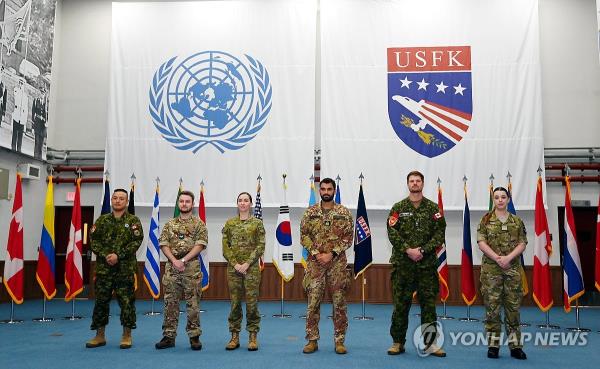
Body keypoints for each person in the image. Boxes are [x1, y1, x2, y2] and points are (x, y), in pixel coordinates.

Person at [386, 170, 446, 357]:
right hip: (403, 265)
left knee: (428, 306)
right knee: (401, 305)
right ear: (408, 184)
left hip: (426, 265)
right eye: (411, 181)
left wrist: (422, 250)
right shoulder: (398, 207)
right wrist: (407, 250)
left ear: (422, 183)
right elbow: (392, 231)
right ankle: (397, 342)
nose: (414, 184)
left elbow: (439, 234)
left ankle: (431, 344)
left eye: (417, 181)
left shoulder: (432, 208)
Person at [300, 177, 353, 354]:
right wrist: (316, 253)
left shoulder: (344, 212)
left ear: (334, 191)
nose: (326, 192)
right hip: (315, 264)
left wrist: (332, 254)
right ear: (319, 191)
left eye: (329, 189)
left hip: (337, 264)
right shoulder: (310, 212)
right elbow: (304, 236)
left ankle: (339, 340)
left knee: (339, 303)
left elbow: (348, 238)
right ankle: (312, 340)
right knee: (313, 302)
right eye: (323, 189)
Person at [87, 189, 144, 349]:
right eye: (115, 198)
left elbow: (137, 241)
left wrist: (118, 255)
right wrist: (107, 255)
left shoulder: (133, 221)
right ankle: (99, 335)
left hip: (124, 269)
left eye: (121, 199)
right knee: (101, 302)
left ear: (126, 202)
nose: (118, 201)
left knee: (126, 303)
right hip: (104, 269)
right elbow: (93, 240)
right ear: (111, 200)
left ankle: (126, 335)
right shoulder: (102, 220)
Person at [477, 187, 528, 360]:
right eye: (497, 197)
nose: (500, 200)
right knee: (492, 309)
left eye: (503, 197)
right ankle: (493, 346)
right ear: (493, 199)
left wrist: (508, 258)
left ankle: (515, 347)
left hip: (512, 270)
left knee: (513, 310)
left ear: (508, 199)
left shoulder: (517, 221)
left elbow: (522, 243)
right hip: (491, 270)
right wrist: (498, 258)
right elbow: (481, 242)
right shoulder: (485, 220)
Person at [155, 190, 208, 351]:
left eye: (187, 201)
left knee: (193, 304)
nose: (184, 204)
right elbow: (163, 243)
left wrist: (183, 260)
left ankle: (194, 337)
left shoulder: (199, 224)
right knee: (170, 303)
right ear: (178, 204)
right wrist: (174, 261)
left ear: (192, 204)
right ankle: (169, 336)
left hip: (191, 268)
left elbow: (200, 244)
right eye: (181, 201)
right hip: (172, 268)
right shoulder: (170, 224)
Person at [222, 192, 265, 351]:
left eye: (246, 200)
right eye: (240, 200)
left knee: (252, 303)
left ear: (251, 204)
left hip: (251, 269)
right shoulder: (230, 223)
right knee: (234, 303)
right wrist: (235, 264)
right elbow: (225, 247)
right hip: (234, 270)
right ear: (237, 204)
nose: (243, 203)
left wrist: (246, 263)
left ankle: (253, 336)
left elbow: (260, 246)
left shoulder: (257, 224)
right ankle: (234, 336)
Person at [11, 78, 28, 152]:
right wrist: (19, 89)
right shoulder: (16, 90)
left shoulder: (25, 96)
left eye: (22, 83)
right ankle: (13, 149)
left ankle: (19, 151)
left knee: (20, 137)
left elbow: (26, 109)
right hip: (16, 116)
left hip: (22, 118)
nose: (21, 84)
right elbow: (15, 96)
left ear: (24, 85)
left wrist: (25, 122)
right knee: (14, 134)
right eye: (20, 83)